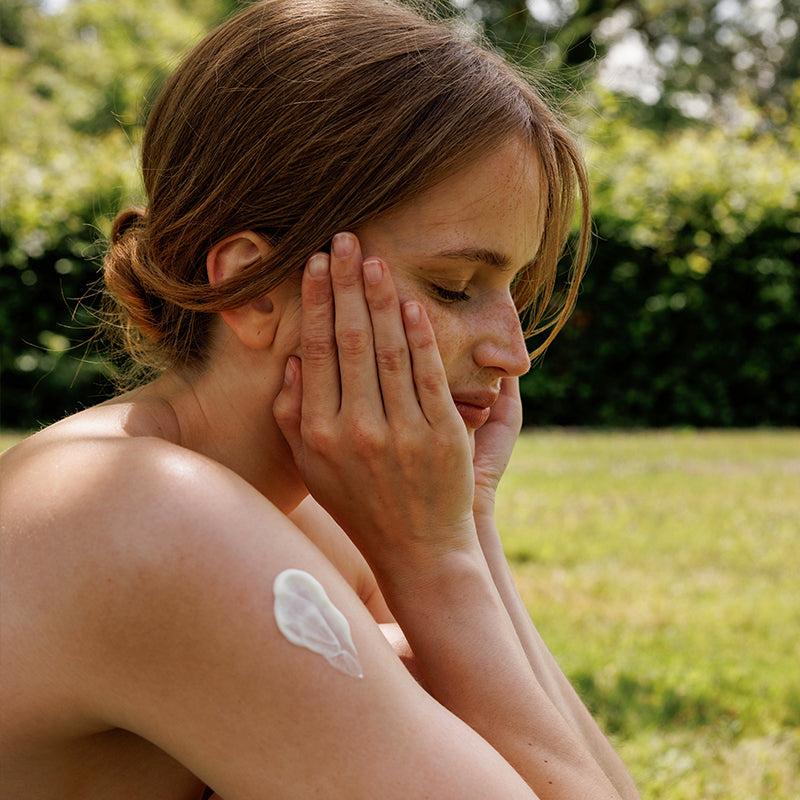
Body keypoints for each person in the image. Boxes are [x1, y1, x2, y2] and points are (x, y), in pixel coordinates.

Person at [0, 1, 640, 798]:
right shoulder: (146, 517)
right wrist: (436, 565)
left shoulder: (305, 518)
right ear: (249, 286)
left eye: (511, 288)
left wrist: (466, 526)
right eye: (452, 287)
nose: (511, 352)